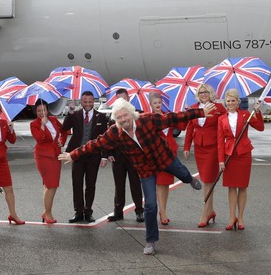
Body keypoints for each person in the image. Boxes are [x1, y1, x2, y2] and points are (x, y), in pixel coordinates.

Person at [59, 98, 215, 256]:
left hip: (163, 158)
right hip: (145, 169)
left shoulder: (147, 120)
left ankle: (190, 179)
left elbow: (174, 117)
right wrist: (73, 154)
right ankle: (151, 241)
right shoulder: (115, 132)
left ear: (132, 114)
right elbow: (95, 144)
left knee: (183, 173)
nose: (122, 120)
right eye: (118, 118)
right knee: (151, 206)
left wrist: (201, 112)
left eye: (125, 116)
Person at [217, 89, 264, 231]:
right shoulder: (221, 119)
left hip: (243, 153)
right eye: (228, 101)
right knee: (231, 187)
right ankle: (232, 217)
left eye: (233, 100)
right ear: (226, 102)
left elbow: (260, 127)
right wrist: (220, 160)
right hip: (228, 154)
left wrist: (257, 112)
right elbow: (220, 141)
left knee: (242, 187)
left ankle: (241, 217)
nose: (230, 103)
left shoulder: (246, 115)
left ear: (238, 102)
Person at [183, 83, 227, 228]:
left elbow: (226, 126)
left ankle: (205, 213)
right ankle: (211, 210)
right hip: (199, 148)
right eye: (200, 92)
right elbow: (190, 128)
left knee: (208, 180)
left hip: (213, 148)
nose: (203, 94)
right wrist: (187, 146)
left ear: (211, 93)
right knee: (207, 180)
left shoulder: (218, 108)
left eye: (206, 92)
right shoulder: (193, 108)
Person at [62, 91, 108, 223]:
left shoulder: (101, 117)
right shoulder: (75, 114)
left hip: (94, 156)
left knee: (90, 185)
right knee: (77, 184)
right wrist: (70, 112)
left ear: (94, 102)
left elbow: (105, 138)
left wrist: (104, 156)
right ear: (81, 102)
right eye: (85, 102)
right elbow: (65, 128)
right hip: (77, 155)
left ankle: (88, 212)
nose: (87, 104)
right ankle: (78, 212)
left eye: (90, 102)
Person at [148, 91, 186, 226]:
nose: (157, 105)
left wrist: (182, 113)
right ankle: (162, 212)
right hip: (157, 153)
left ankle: (163, 209)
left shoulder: (168, 116)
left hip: (170, 151)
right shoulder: (149, 118)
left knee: (166, 183)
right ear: (150, 105)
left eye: (159, 102)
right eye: (155, 103)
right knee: (159, 183)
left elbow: (182, 126)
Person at [106, 88, 144, 223]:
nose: (121, 101)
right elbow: (107, 138)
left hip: (133, 157)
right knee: (119, 185)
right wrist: (108, 153)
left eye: (123, 98)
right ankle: (118, 212)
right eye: (118, 99)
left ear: (128, 98)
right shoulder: (114, 116)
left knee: (135, 184)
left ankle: (139, 211)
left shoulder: (137, 114)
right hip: (118, 157)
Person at [31, 99, 68, 224]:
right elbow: (39, 139)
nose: (42, 112)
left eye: (44, 110)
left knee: (49, 185)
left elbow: (64, 132)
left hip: (55, 155)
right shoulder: (34, 124)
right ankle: (47, 213)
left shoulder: (53, 120)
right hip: (43, 156)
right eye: (39, 111)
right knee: (52, 185)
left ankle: (46, 211)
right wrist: (42, 125)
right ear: (36, 112)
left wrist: (62, 141)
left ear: (47, 110)